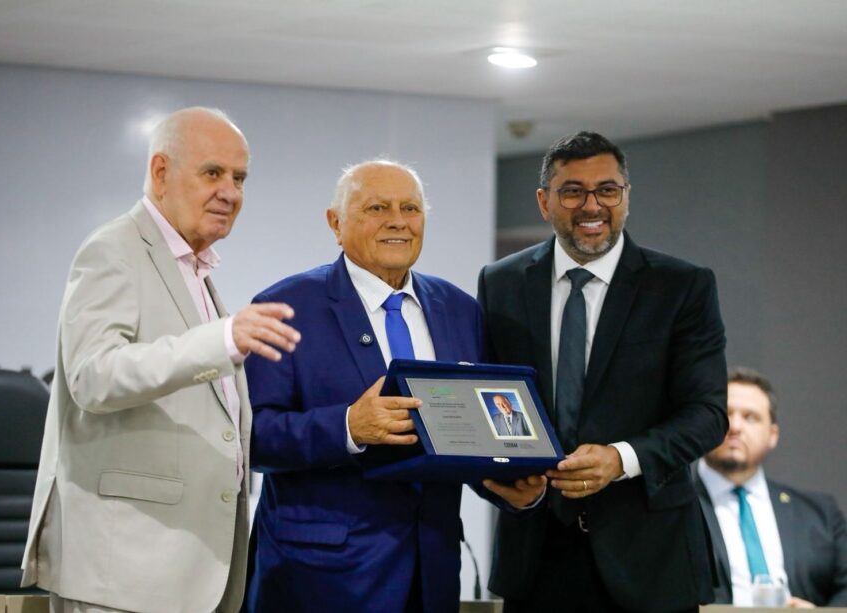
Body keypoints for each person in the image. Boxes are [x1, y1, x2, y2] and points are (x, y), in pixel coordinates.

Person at [20, 107, 300, 613]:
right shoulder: (113, 249)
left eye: (239, 178)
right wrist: (221, 340)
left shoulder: (195, 269)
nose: (230, 192)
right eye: (212, 173)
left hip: (190, 574)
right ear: (161, 172)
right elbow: (93, 376)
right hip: (125, 574)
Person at [244, 160, 544, 612]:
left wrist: (507, 483)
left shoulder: (459, 309)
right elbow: (254, 438)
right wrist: (349, 426)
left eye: (411, 208)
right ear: (335, 223)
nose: (398, 221)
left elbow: (467, 430)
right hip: (318, 578)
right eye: (377, 208)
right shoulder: (284, 307)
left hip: (432, 571)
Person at [478, 131, 728, 612]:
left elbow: (707, 415)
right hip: (536, 556)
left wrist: (621, 458)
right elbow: (490, 399)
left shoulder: (681, 286)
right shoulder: (501, 282)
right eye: (573, 191)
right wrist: (506, 483)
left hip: (651, 561)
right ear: (544, 202)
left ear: (626, 196)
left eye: (607, 190)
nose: (592, 206)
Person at [696, 367, 847, 608]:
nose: (735, 426)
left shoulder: (820, 514)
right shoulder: (670, 508)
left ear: (772, 434)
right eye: (725, 414)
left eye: (750, 417)